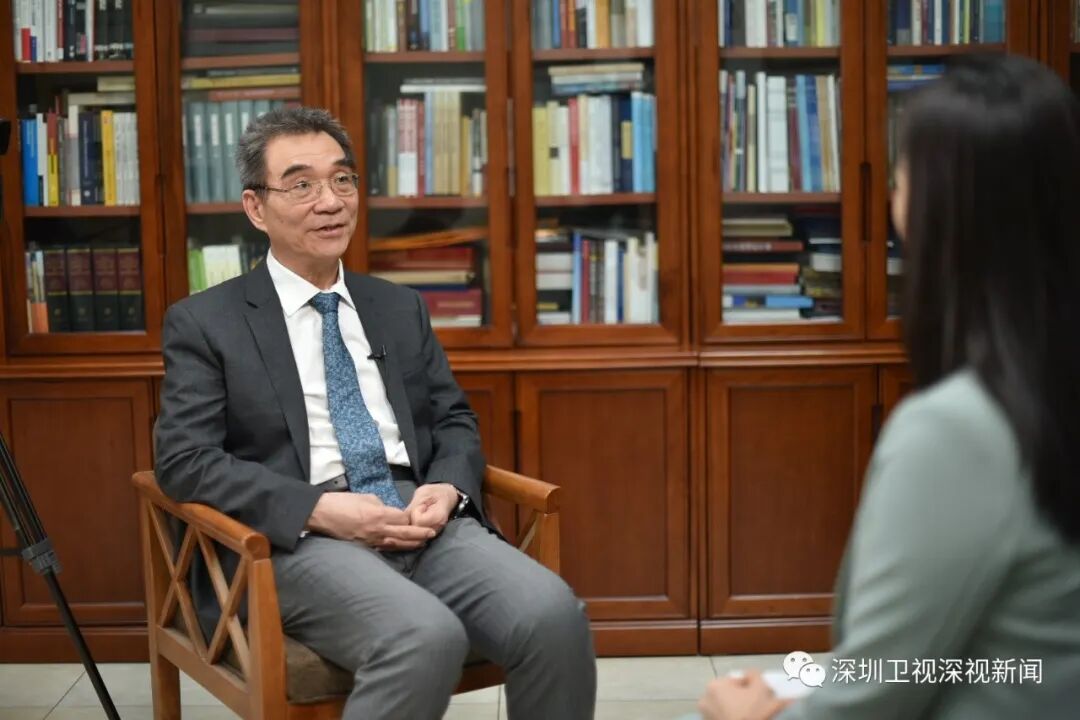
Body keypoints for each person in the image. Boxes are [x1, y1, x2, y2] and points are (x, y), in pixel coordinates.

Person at [154, 106, 597, 720]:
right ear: (256, 207)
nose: (330, 201)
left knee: (554, 616)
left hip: (417, 516)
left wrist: (448, 487)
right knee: (423, 637)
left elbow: (453, 420)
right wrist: (317, 509)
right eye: (301, 184)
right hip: (296, 537)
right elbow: (184, 460)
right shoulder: (206, 322)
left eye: (343, 179)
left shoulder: (396, 306)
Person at [698, 54, 1080, 719]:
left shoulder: (959, 432)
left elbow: (874, 695)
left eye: (901, 179)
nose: (891, 197)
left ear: (939, 211)